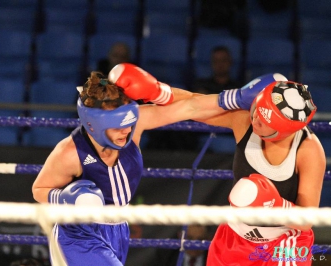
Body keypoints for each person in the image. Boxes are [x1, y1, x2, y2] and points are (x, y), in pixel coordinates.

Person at [32, 63, 284, 265]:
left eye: (129, 123)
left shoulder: (134, 126)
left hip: (118, 229)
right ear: (94, 125)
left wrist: (237, 97)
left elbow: (190, 107)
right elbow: (39, 189)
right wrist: (66, 199)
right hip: (78, 234)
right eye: (118, 127)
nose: (126, 131)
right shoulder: (69, 152)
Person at [109, 64, 325, 265]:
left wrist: (275, 205)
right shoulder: (245, 119)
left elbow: (307, 220)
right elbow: (195, 104)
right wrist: (156, 91)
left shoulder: (308, 150)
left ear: (285, 132)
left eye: (264, 122)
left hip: (284, 242)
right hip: (235, 236)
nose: (256, 120)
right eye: (256, 111)